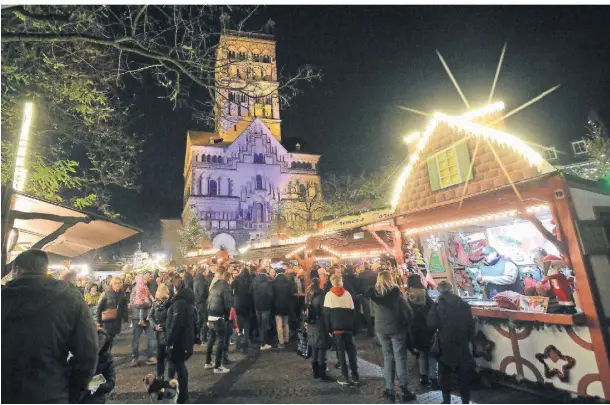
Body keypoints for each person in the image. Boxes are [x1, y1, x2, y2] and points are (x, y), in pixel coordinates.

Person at [2, 249, 98, 403]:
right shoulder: (70, 298)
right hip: (52, 392)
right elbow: (88, 353)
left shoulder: (4, 298)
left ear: (17, 271)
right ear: (45, 270)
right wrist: (72, 389)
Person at [368, 271, 416, 402]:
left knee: (388, 357)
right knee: (400, 357)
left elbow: (372, 312)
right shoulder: (396, 293)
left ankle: (389, 388)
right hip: (396, 328)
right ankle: (404, 388)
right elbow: (407, 311)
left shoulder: (373, 294)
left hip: (381, 329)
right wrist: (407, 322)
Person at [428, 281, 475, 405]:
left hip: (445, 343)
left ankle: (446, 401)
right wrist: (472, 343)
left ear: (439, 290)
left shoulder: (438, 304)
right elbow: (471, 325)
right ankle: (465, 401)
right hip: (462, 343)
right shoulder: (463, 303)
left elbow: (432, 323)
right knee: (463, 375)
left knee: (444, 375)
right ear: (451, 289)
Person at [323, 275, 360, 386]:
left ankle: (345, 377)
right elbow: (353, 312)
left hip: (336, 329)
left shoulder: (328, 295)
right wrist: (354, 328)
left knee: (341, 353)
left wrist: (329, 329)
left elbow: (326, 314)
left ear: (332, 283)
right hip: (348, 328)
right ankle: (355, 376)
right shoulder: (348, 294)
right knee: (351, 352)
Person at [406, 274, 439, 389]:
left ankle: (423, 377)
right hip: (427, 328)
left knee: (422, 354)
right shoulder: (423, 292)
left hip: (416, 329)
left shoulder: (409, 295)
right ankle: (434, 378)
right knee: (431, 355)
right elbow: (433, 308)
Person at [166, 279, 195, 404]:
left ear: (176, 289)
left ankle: (182, 396)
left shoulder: (179, 303)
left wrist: (170, 340)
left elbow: (176, 323)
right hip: (186, 338)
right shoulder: (187, 301)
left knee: (180, 367)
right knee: (177, 366)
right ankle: (177, 393)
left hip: (179, 340)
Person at [205, 271, 233, 374]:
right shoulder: (225, 288)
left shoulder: (214, 286)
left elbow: (208, 302)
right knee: (221, 340)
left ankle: (208, 362)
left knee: (211, 339)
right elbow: (228, 305)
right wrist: (227, 316)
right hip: (219, 317)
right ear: (229, 279)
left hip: (210, 316)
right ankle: (217, 366)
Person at [306, 278, 333, 381]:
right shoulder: (321, 296)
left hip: (310, 324)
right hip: (320, 325)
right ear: (320, 284)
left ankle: (315, 372)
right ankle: (322, 373)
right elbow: (325, 312)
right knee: (321, 347)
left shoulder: (308, 295)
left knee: (314, 347)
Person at [80, 328, 116, 404]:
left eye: (100, 346)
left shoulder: (107, 359)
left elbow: (111, 382)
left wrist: (98, 385)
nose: (97, 349)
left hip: (96, 397)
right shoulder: (79, 354)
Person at [130, 275, 157, 367]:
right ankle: (135, 357)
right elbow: (133, 303)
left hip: (148, 317)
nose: (147, 279)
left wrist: (148, 303)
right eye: (145, 278)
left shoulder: (148, 287)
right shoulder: (135, 288)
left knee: (151, 338)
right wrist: (146, 304)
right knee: (136, 339)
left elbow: (152, 301)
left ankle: (151, 356)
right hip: (137, 317)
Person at [96, 276, 129, 349]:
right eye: (115, 283)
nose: (118, 284)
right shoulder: (106, 293)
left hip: (116, 320)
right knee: (105, 340)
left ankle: (107, 354)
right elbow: (99, 308)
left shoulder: (122, 294)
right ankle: (103, 356)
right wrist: (98, 321)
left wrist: (125, 318)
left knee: (111, 339)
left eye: (119, 283)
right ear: (111, 284)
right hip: (106, 320)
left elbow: (124, 307)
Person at [150, 283, 171, 378]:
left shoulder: (169, 303)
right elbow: (150, 316)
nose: (158, 299)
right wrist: (154, 326)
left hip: (167, 333)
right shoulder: (155, 303)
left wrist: (160, 326)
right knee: (160, 356)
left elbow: (171, 319)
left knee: (168, 356)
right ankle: (160, 376)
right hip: (159, 334)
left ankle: (166, 376)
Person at [272, 269, 296, 348]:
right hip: (287, 306)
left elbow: (271, 295)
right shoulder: (289, 282)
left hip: (277, 306)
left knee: (279, 324)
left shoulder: (273, 282)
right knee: (286, 323)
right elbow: (293, 292)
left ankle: (281, 342)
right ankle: (287, 339)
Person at [232, 267, 254, 354]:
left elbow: (231, 289)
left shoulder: (236, 279)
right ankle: (246, 344)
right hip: (247, 305)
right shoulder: (250, 280)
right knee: (247, 326)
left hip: (237, 305)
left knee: (238, 327)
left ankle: (237, 344)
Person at [252, 268, 274, 350]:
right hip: (266, 307)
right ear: (265, 274)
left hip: (257, 307)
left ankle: (262, 342)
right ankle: (264, 343)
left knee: (260, 325)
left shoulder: (254, 281)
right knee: (265, 325)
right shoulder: (268, 282)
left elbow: (250, 292)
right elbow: (271, 295)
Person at [358, 262, 378, 337]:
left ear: (364, 267)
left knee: (367, 314)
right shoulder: (375, 273)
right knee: (376, 313)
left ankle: (370, 332)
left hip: (365, 296)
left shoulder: (361, 275)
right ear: (369, 266)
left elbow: (359, 286)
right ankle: (377, 331)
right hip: (375, 295)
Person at [194, 267, 210, 343]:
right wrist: (207, 293)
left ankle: (197, 337)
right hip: (202, 303)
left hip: (198, 303)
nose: (207, 272)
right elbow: (201, 293)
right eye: (206, 271)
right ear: (203, 272)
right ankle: (203, 338)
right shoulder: (201, 280)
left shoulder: (197, 279)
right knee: (204, 321)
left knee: (200, 321)